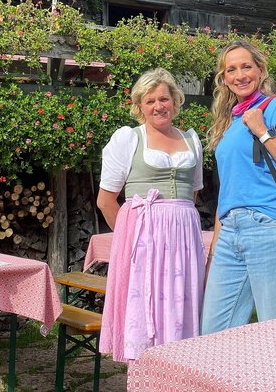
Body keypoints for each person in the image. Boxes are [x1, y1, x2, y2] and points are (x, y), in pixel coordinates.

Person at [201, 40, 276, 335]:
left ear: (260, 69)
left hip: (271, 227)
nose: (239, 75)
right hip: (230, 234)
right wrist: (215, 247)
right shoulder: (229, 122)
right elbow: (229, 190)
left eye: (246, 66)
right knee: (214, 336)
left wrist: (263, 133)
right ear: (224, 78)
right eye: (231, 69)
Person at [96, 68, 205, 363]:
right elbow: (106, 200)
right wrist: (131, 239)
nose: (158, 106)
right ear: (139, 106)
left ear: (175, 101)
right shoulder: (128, 139)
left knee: (183, 303)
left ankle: (182, 373)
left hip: (184, 238)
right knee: (147, 312)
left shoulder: (192, 141)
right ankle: (145, 375)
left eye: (164, 99)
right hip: (144, 240)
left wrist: (173, 222)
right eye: (150, 101)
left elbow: (191, 196)